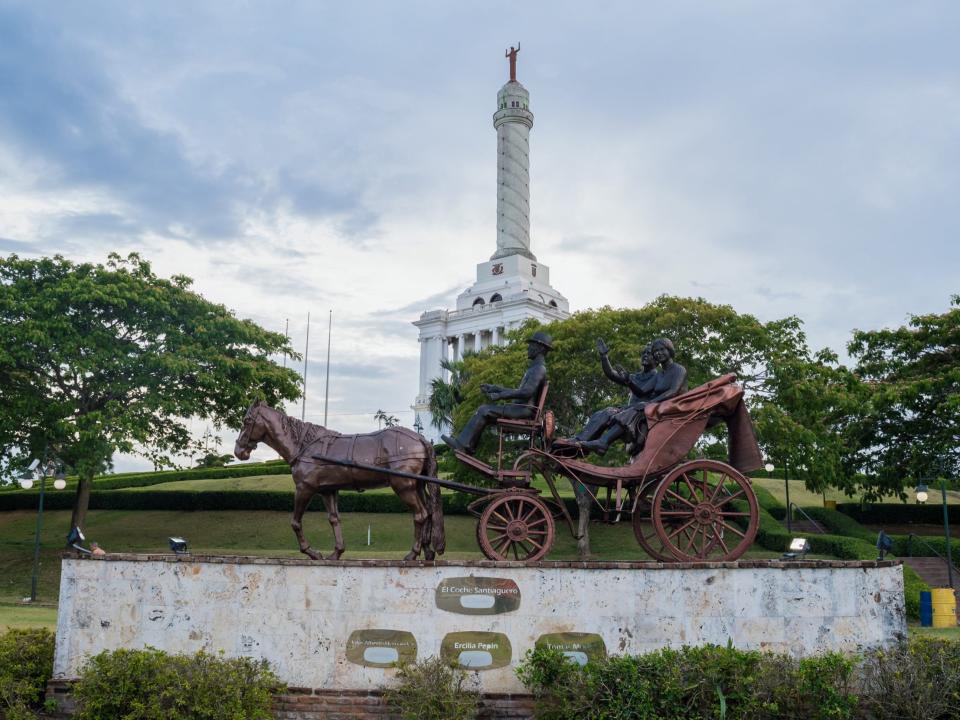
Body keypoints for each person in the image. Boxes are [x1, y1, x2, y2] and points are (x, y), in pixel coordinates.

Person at [441, 331, 552, 455]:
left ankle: (464, 445)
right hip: (520, 408)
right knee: (485, 412)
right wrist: (494, 388)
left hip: (523, 411)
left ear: (540, 348)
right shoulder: (535, 368)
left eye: (531, 345)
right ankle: (468, 446)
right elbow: (519, 391)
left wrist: (501, 395)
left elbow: (526, 392)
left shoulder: (539, 369)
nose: (528, 348)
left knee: (484, 410)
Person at [576, 337, 687, 456]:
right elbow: (641, 392)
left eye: (661, 349)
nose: (658, 353)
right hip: (657, 408)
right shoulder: (659, 375)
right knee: (608, 412)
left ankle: (603, 442)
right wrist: (628, 381)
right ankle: (580, 443)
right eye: (656, 351)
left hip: (672, 409)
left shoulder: (679, 369)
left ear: (669, 350)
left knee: (634, 409)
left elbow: (673, 391)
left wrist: (649, 403)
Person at [556, 340, 657, 451]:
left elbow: (642, 391)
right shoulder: (635, 377)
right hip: (626, 411)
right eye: (643, 353)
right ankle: (579, 442)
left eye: (649, 353)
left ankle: (601, 443)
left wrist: (629, 382)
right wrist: (604, 357)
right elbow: (611, 374)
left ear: (656, 359)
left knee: (612, 412)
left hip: (639, 416)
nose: (645, 356)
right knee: (603, 413)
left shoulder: (657, 377)